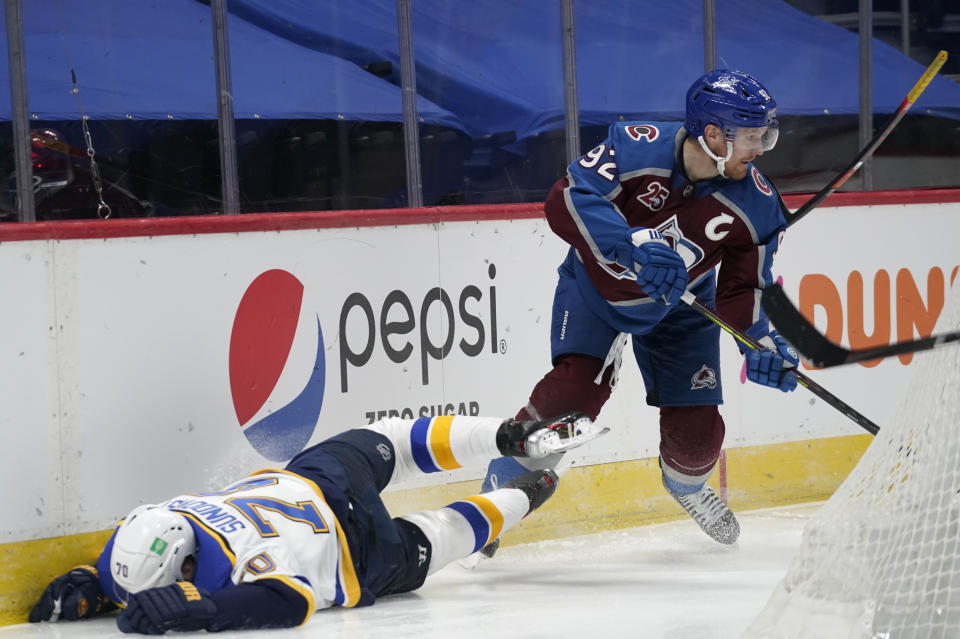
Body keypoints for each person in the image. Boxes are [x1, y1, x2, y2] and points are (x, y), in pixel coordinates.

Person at [480, 69, 799, 553]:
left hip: (684, 309)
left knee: (697, 437)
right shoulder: (635, 145)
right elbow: (567, 197)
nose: (762, 149)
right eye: (753, 137)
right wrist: (629, 247)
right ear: (713, 134)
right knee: (568, 402)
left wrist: (758, 341)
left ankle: (688, 486)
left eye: (765, 136)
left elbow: (744, 287)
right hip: (597, 292)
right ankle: (492, 503)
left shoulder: (756, 204)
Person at [28, 411, 606, 634]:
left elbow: (291, 601)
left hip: (355, 553)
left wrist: (203, 612)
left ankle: (521, 476)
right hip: (313, 481)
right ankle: (515, 462)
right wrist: (92, 581)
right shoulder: (159, 522)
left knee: (442, 533)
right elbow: (121, 567)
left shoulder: (224, 570)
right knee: (392, 444)